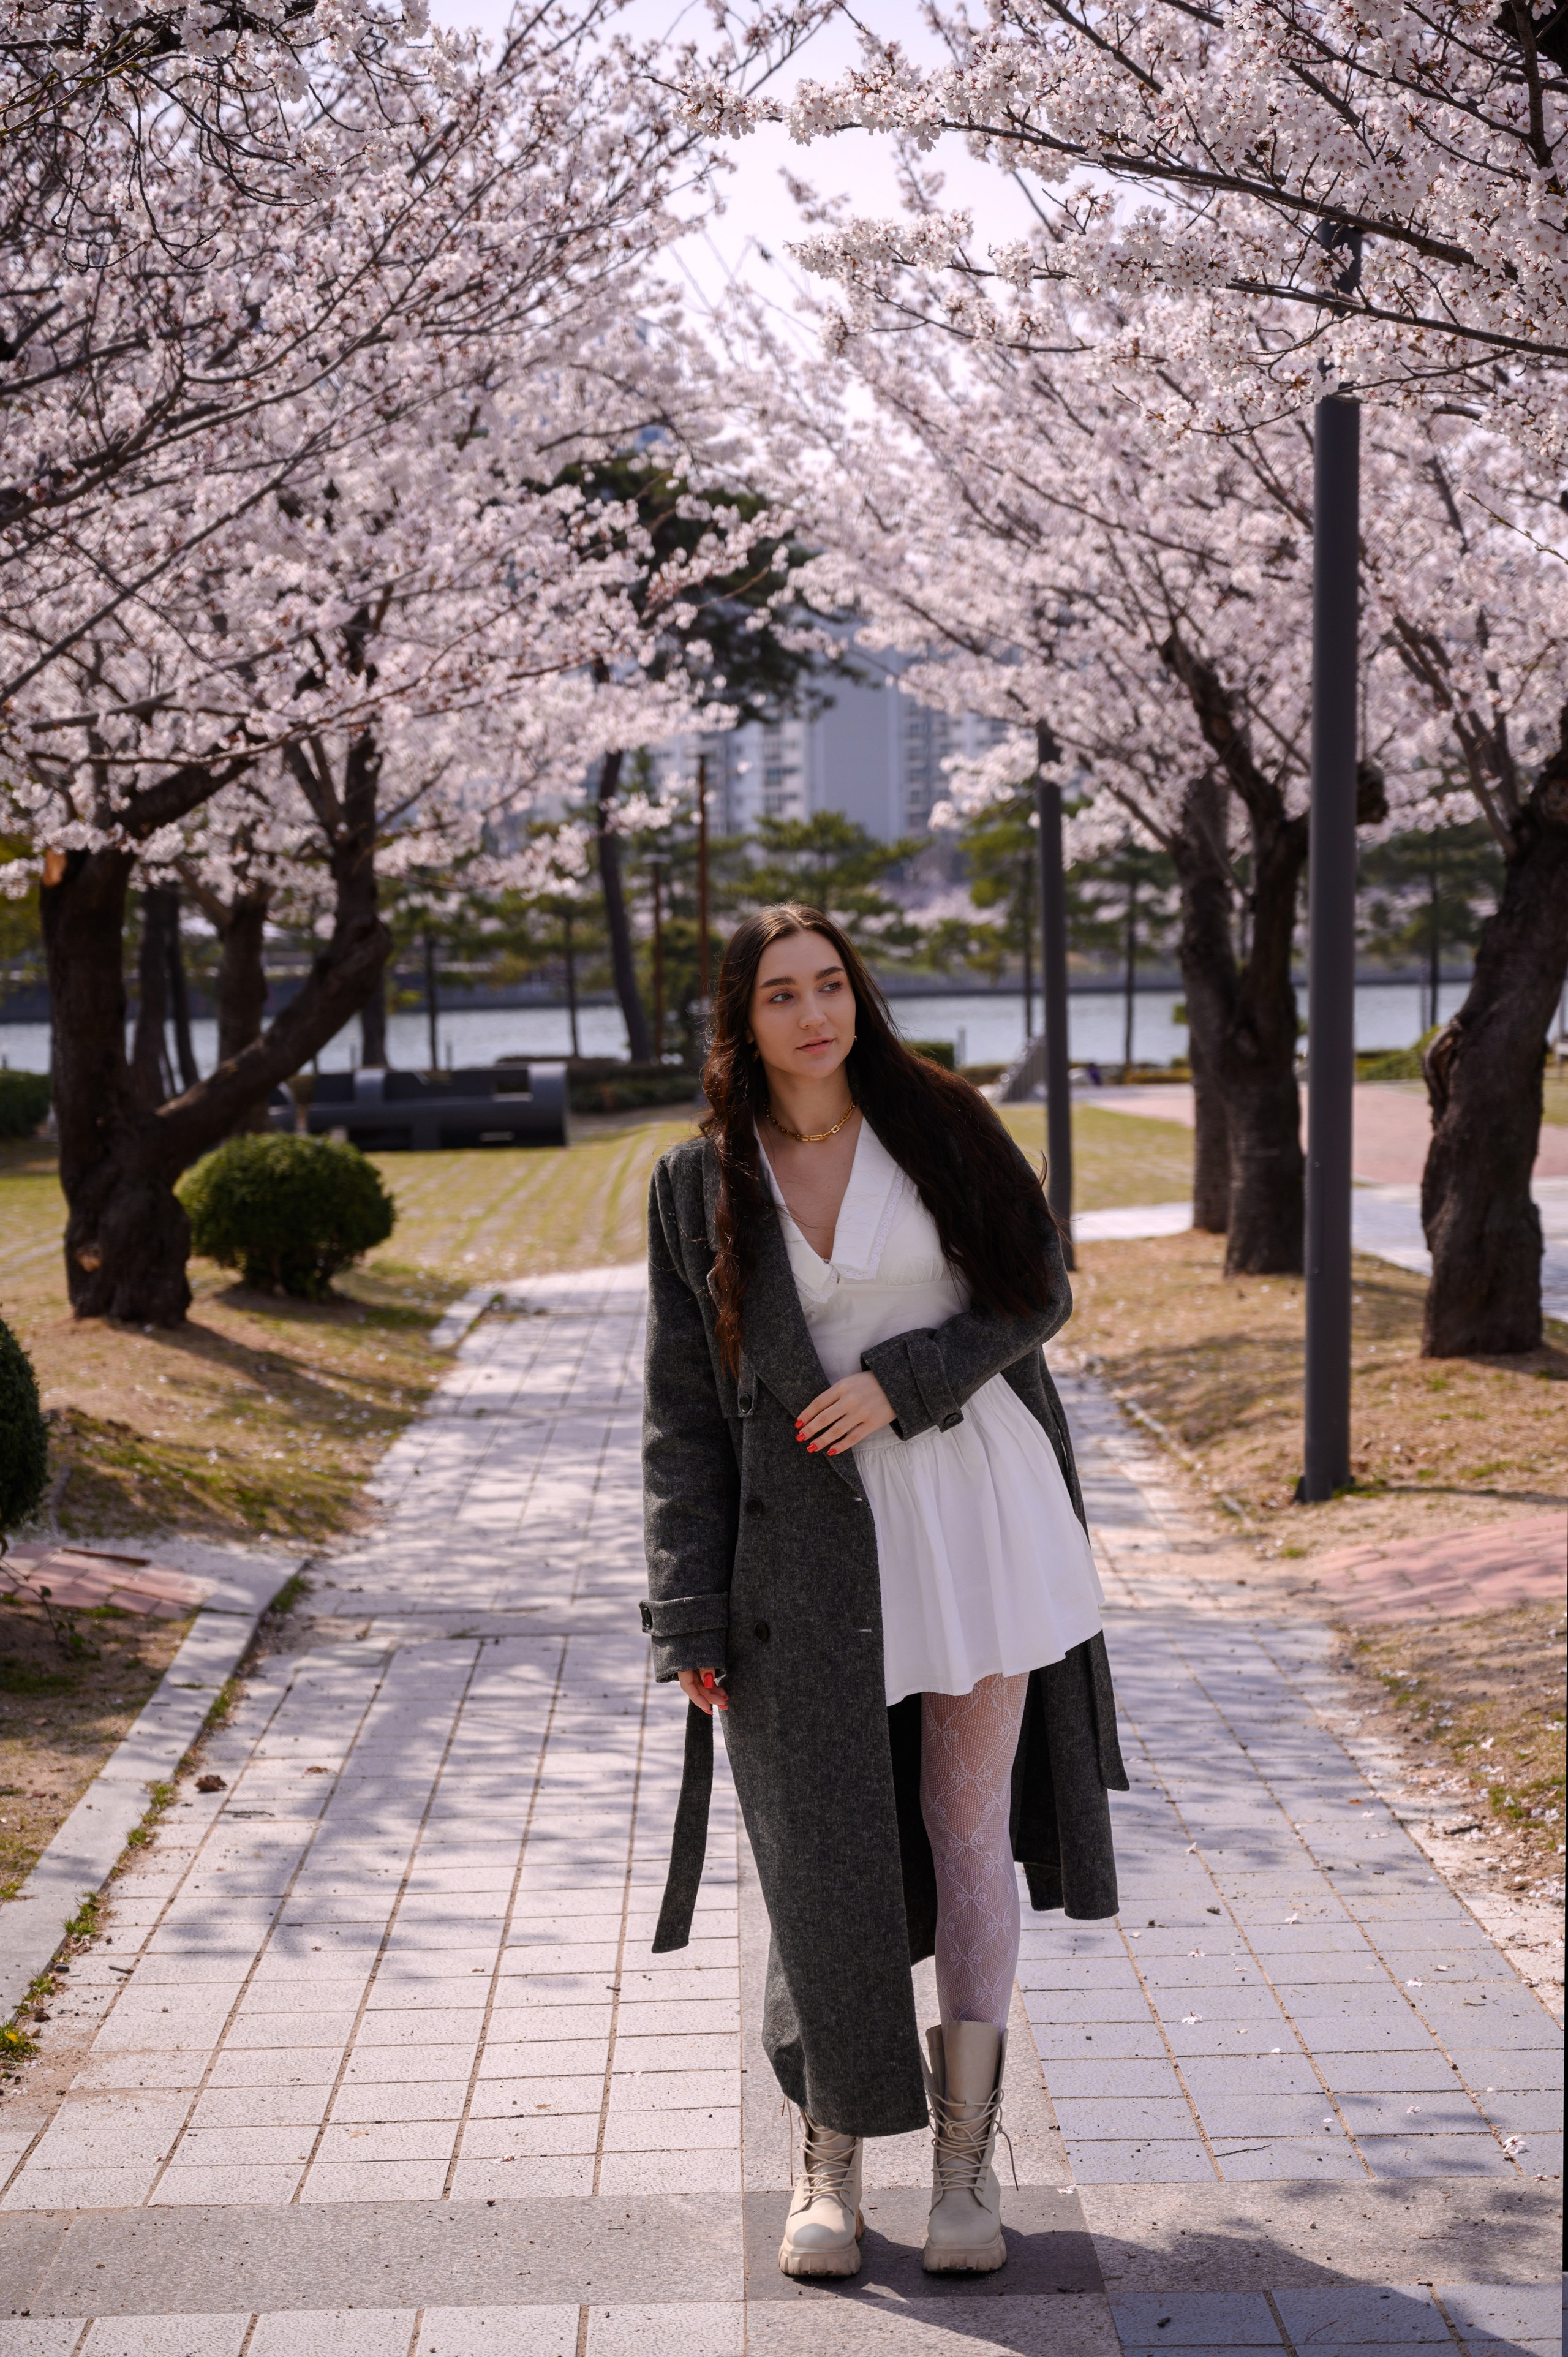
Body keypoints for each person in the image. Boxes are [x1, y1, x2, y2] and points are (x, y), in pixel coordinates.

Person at [639, 903, 1127, 2280]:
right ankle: (831, 2152)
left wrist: (901, 1382)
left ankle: (965, 2169)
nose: (813, 1013)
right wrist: (684, 1606)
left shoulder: (944, 1124)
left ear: (858, 996)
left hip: (972, 1510)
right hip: (796, 1560)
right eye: (781, 993)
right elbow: (678, 1411)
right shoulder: (698, 1183)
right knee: (818, 1851)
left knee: (962, 1826)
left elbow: (1035, 1292)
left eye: (831, 984)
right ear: (741, 1021)